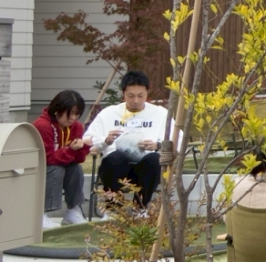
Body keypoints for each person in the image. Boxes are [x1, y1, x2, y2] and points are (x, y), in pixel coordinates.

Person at [85, 71, 174, 209]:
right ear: (123, 93)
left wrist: (157, 145)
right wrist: (106, 141)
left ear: (147, 92)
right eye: (131, 96)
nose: (136, 100)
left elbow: (177, 141)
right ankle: (113, 208)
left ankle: (140, 208)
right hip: (116, 167)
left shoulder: (160, 113)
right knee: (115, 157)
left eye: (140, 95)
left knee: (154, 159)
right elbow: (87, 142)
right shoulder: (109, 113)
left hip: (146, 167)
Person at [35, 89, 91, 227]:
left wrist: (83, 147)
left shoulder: (76, 127)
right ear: (57, 111)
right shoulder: (42, 126)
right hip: (40, 167)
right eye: (69, 113)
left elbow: (78, 159)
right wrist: (70, 149)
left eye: (76, 114)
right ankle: (42, 215)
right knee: (56, 169)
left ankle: (73, 210)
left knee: (75, 168)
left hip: (59, 164)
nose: (72, 118)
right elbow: (47, 159)